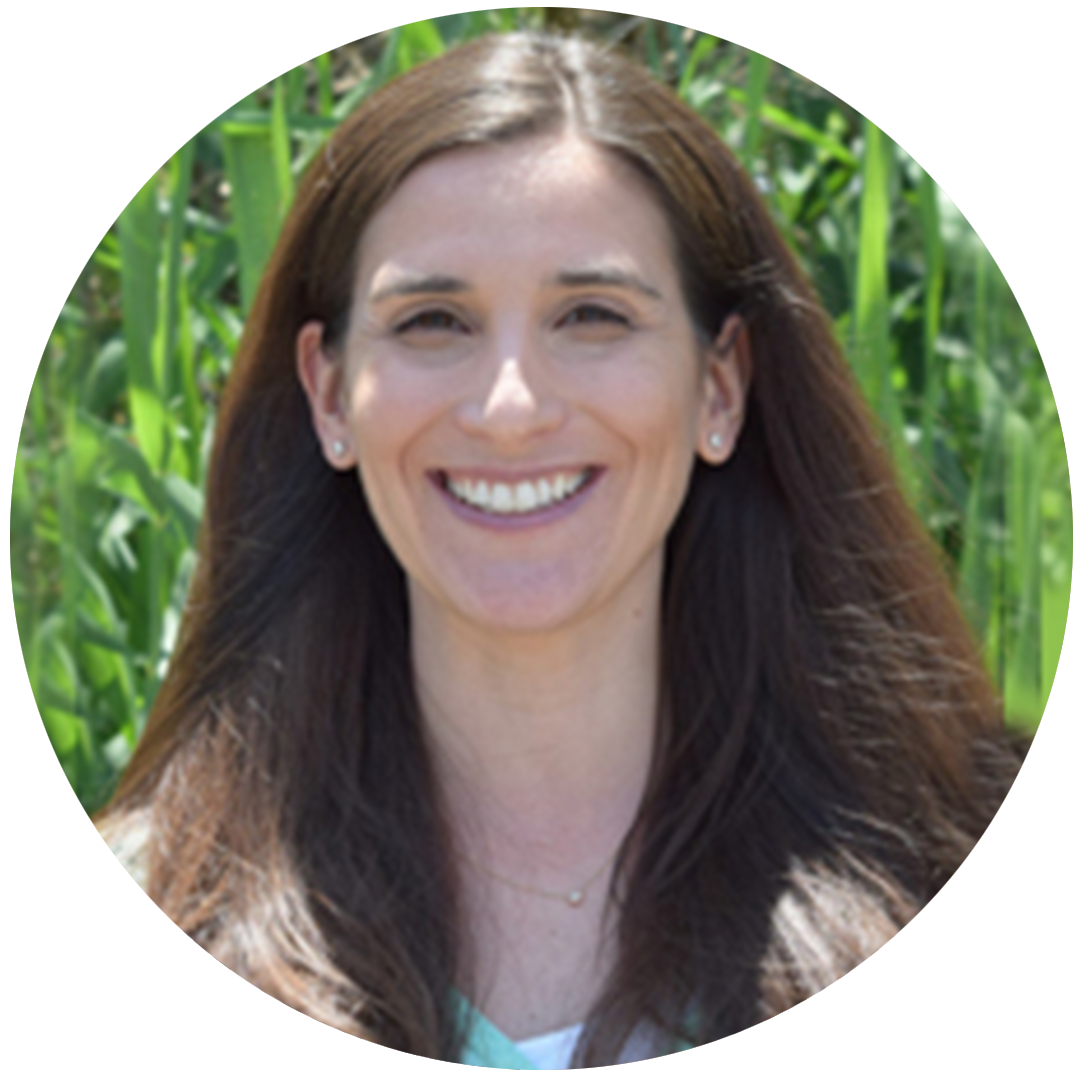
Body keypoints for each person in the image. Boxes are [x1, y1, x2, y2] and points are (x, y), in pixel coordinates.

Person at [75, 30, 1052, 1069]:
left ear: (720, 386)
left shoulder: (1007, 930)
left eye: (592, 316)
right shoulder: (91, 947)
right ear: (330, 396)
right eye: (433, 321)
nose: (511, 408)